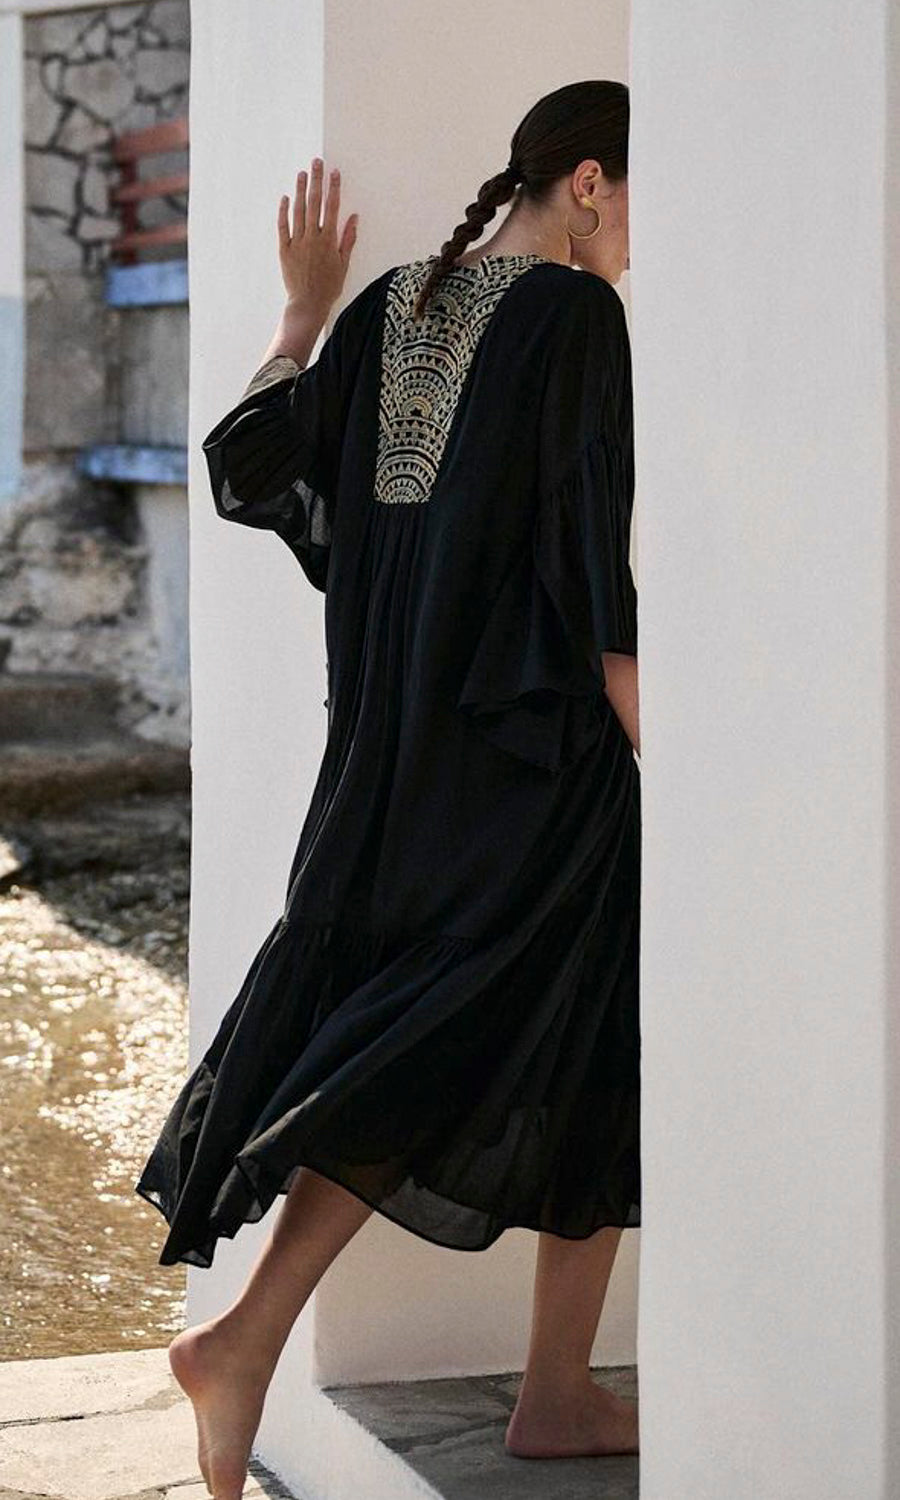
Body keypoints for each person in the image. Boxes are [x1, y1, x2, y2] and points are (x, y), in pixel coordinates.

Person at [134, 78, 641, 1500]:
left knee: (499, 1032)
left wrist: (301, 318)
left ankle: (534, 1386)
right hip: (534, 766)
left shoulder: (386, 311)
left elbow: (251, 468)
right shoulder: (575, 316)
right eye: (640, 201)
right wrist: (660, 747)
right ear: (589, 183)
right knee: (551, 1031)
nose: (640, 238)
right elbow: (588, 559)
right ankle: (315, 1349)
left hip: (391, 758)